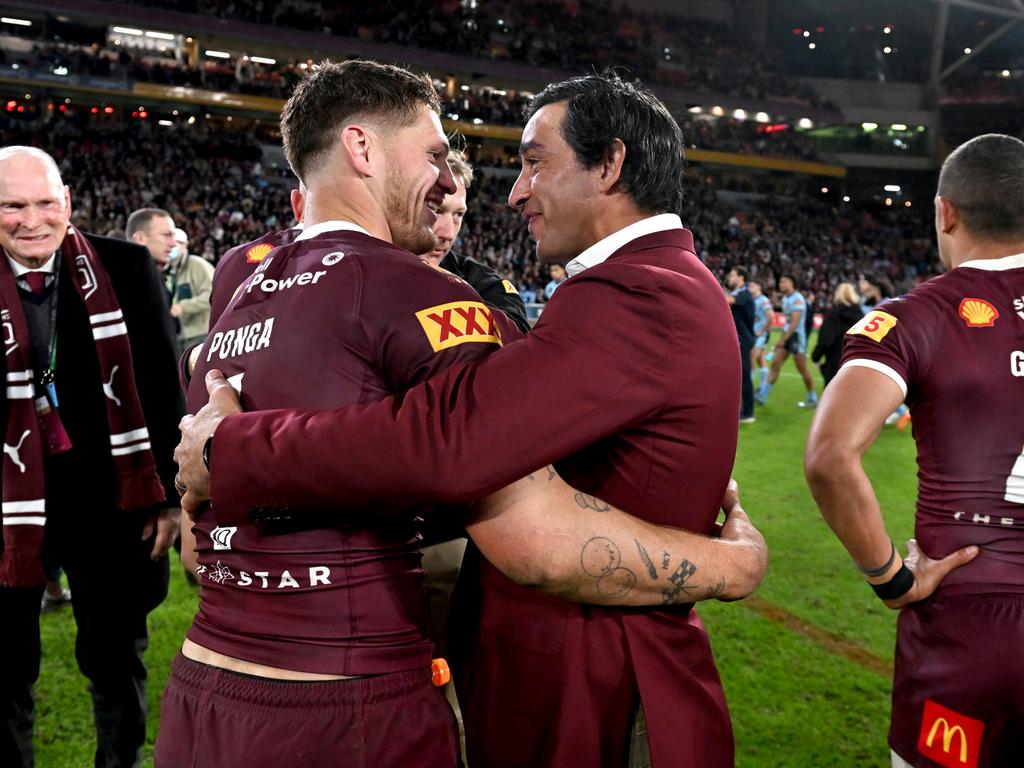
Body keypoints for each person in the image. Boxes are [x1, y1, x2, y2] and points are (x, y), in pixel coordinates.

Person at [165, 62, 764, 768]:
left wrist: (228, 455)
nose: (492, 192)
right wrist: (726, 565)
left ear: (610, 166)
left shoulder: (244, 281)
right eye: (436, 156)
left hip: (209, 686)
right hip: (352, 695)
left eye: (533, 163)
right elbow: (477, 472)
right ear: (362, 150)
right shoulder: (419, 293)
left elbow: (452, 445)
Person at [805, 133, 1024, 768]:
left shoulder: (918, 315)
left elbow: (830, 455)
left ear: (945, 211)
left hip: (970, 626)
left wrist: (890, 577)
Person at [0, 147, 182, 768]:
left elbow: (162, 385)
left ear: (68, 201)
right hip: (6, 507)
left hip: (110, 502)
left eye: (46, 202)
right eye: (13, 205)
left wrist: (170, 497)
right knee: (3, 666)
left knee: (115, 660)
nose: (32, 219)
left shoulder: (126, 267)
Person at [432, 149, 529, 333]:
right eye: (436, 209)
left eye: (458, 214)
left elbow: (516, 335)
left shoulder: (484, 284)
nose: (449, 233)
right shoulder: (367, 274)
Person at [757, 273, 818, 408]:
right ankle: (763, 394)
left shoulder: (798, 299)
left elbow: (795, 322)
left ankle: (812, 397)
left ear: (792, 283)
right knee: (775, 364)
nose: (780, 284)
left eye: (783, 282)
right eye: (780, 282)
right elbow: (787, 322)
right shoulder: (785, 299)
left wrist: (784, 339)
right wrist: (782, 339)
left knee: (802, 369)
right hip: (787, 337)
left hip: (796, 338)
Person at [167, 228, 215, 349]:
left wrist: (182, 307)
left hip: (201, 333)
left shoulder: (198, 265)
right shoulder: (168, 270)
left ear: (185, 245)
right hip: (180, 336)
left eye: (177, 242)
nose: (173, 245)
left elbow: (213, 296)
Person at [810, 282, 863, 387]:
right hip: (854, 362)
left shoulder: (832, 316)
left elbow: (825, 340)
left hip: (834, 363)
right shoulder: (862, 316)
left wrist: (816, 356)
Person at [726, 266, 756, 423]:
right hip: (739, 338)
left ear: (741, 278)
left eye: (732, 275)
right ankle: (738, 407)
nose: (729, 278)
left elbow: (727, 300)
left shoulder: (744, 293)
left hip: (743, 339)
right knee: (737, 374)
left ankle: (749, 412)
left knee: (744, 376)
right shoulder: (739, 293)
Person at [749, 278, 774, 390]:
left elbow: (770, 316)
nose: (750, 288)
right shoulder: (752, 299)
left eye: (752, 286)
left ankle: (748, 388)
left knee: (751, 359)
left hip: (759, 336)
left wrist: (763, 331)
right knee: (761, 360)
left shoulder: (763, 300)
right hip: (753, 335)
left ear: (759, 287)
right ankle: (763, 387)